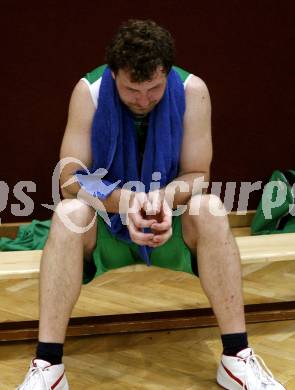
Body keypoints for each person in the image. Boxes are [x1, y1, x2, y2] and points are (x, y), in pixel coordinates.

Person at [17, 19, 285, 390]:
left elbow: (196, 174)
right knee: (67, 213)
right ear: (113, 76)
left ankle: (236, 357)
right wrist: (123, 200)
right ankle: (48, 366)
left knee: (208, 208)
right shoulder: (88, 91)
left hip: (167, 223)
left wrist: (161, 199)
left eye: (154, 89)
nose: (144, 100)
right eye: (132, 90)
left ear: (168, 72)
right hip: (107, 224)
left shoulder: (194, 91)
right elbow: (69, 178)